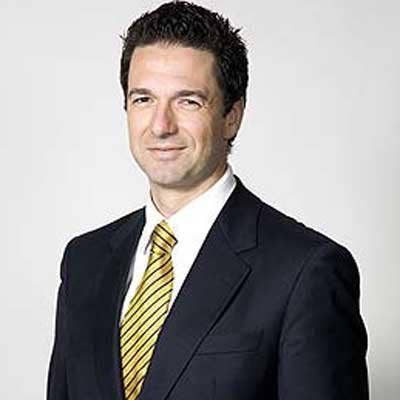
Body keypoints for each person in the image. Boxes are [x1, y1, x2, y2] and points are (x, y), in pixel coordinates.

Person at [47, 1, 369, 399]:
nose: (161, 126)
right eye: (144, 99)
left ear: (232, 116)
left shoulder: (306, 271)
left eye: (188, 101)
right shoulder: (84, 262)